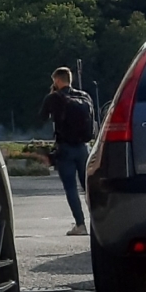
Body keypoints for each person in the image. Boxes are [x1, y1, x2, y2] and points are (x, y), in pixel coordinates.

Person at [38, 66, 96, 235]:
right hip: (84, 148)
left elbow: (41, 117)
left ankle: (80, 225)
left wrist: (51, 98)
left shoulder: (54, 98)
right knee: (88, 187)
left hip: (65, 148)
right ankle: (99, 223)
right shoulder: (85, 96)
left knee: (71, 188)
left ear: (57, 80)